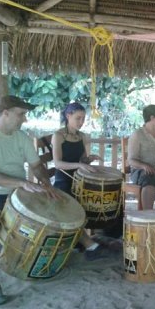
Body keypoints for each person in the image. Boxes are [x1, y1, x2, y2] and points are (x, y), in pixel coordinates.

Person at [0, 95, 60, 306]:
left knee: (56, 207)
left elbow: (37, 166)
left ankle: (89, 246)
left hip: (18, 193)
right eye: (21, 114)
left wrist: (46, 183)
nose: (24, 119)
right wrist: (21, 183)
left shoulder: (21, 137)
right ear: (6, 113)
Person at [51, 102, 111, 260]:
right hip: (63, 180)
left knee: (97, 199)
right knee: (70, 208)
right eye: (78, 118)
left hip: (79, 179)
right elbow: (57, 163)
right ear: (67, 116)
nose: (81, 122)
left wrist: (88, 159)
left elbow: (81, 159)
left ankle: (86, 241)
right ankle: (89, 244)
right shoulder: (58, 136)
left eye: (83, 118)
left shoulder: (81, 136)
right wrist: (79, 164)